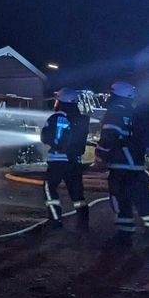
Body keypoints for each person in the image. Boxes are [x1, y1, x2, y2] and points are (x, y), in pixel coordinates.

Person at [95, 81, 149, 246]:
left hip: (120, 166)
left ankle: (124, 236)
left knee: (121, 202)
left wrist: (100, 156)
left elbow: (109, 137)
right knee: (144, 203)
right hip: (137, 166)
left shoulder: (114, 112)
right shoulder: (133, 112)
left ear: (115, 95)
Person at [39, 88, 89, 230]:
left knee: (49, 189)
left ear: (60, 101)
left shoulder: (55, 118)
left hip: (57, 162)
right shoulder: (80, 119)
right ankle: (83, 222)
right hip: (75, 162)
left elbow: (45, 137)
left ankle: (55, 220)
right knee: (77, 194)